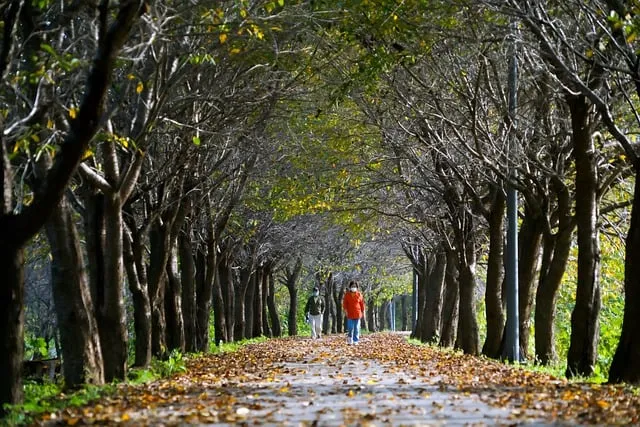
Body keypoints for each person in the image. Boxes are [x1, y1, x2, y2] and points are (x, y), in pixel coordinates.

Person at [342, 281, 365, 345]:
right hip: (350, 314)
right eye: (352, 286)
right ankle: (350, 339)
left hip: (357, 314)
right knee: (350, 327)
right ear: (350, 287)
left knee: (356, 328)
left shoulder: (359, 294)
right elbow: (344, 304)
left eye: (355, 286)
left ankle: (355, 340)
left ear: (357, 287)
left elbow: (362, 304)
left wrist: (363, 312)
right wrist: (345, 311)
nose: (353, 288)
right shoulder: (347, 295)